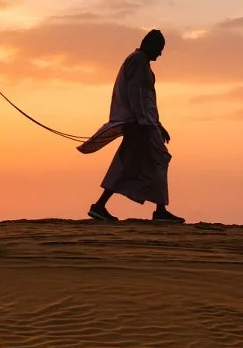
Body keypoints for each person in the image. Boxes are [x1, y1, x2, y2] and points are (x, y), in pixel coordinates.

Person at [78, 29, 186, 224]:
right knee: (160, 159)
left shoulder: (139, 62)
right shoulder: (137, 61)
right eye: (159, 49)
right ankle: (160, 210)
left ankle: (100, 206)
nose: (160, 53)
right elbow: (136, 95)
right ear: (150, 45)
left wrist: (158, 124)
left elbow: (145, 98)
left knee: (127, 162)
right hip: (140, 124)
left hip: (141, 122)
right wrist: (143, 122)